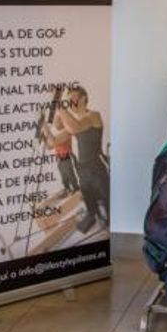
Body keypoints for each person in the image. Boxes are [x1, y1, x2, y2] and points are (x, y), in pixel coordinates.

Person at [55, 86, 110, 232]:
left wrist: (57, 100)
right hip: (82, 169)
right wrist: (43, 128)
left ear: (83, 98)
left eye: (73, 99)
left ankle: (110, 224)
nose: (70, 103)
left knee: (108, 201)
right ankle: (95, 217)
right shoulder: (73, 122)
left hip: (97, 167)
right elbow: (55, 134)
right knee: (90, 201)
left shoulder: (93, 115)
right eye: (68, 100)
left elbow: (76, 127)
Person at [40, 113, 80, 197]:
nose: (56, 123)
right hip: (60, 159)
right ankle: (67, 189)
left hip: (68, 158)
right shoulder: (57, 135)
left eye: (58, 121)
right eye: (56, 122)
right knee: (64, 178)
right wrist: (44, 138)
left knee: (72, 177)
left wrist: (44, 125)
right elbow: (50, 147)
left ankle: (76, 190)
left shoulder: (67, 131)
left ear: (63, 121)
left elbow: (54, 142)